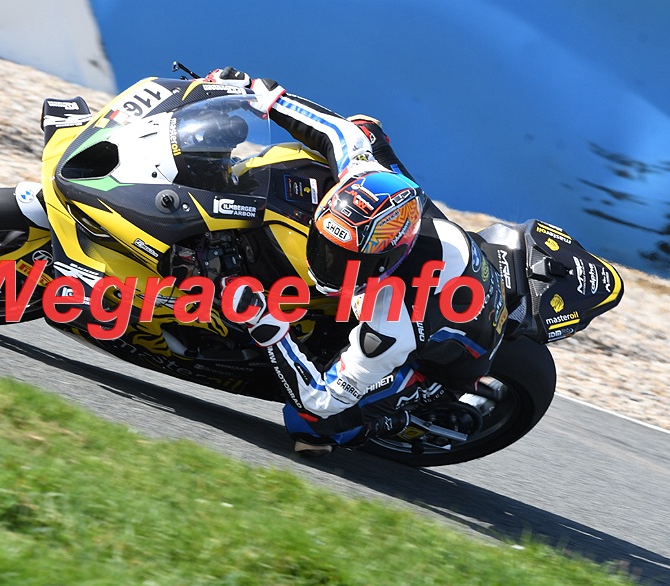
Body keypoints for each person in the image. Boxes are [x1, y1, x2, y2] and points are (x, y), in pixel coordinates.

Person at [205, 67, 509, 458]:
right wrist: (260, 94)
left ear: (383, 260)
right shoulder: (364, 179)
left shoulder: (393, 324)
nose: (327, 264)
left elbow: (319, 400)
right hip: (441, 247)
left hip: (451, 351)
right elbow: (338, 133)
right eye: (327, 247)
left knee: (311, 427)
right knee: (363, 128)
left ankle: (400, 419)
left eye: (344, 260)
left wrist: (266, 325)